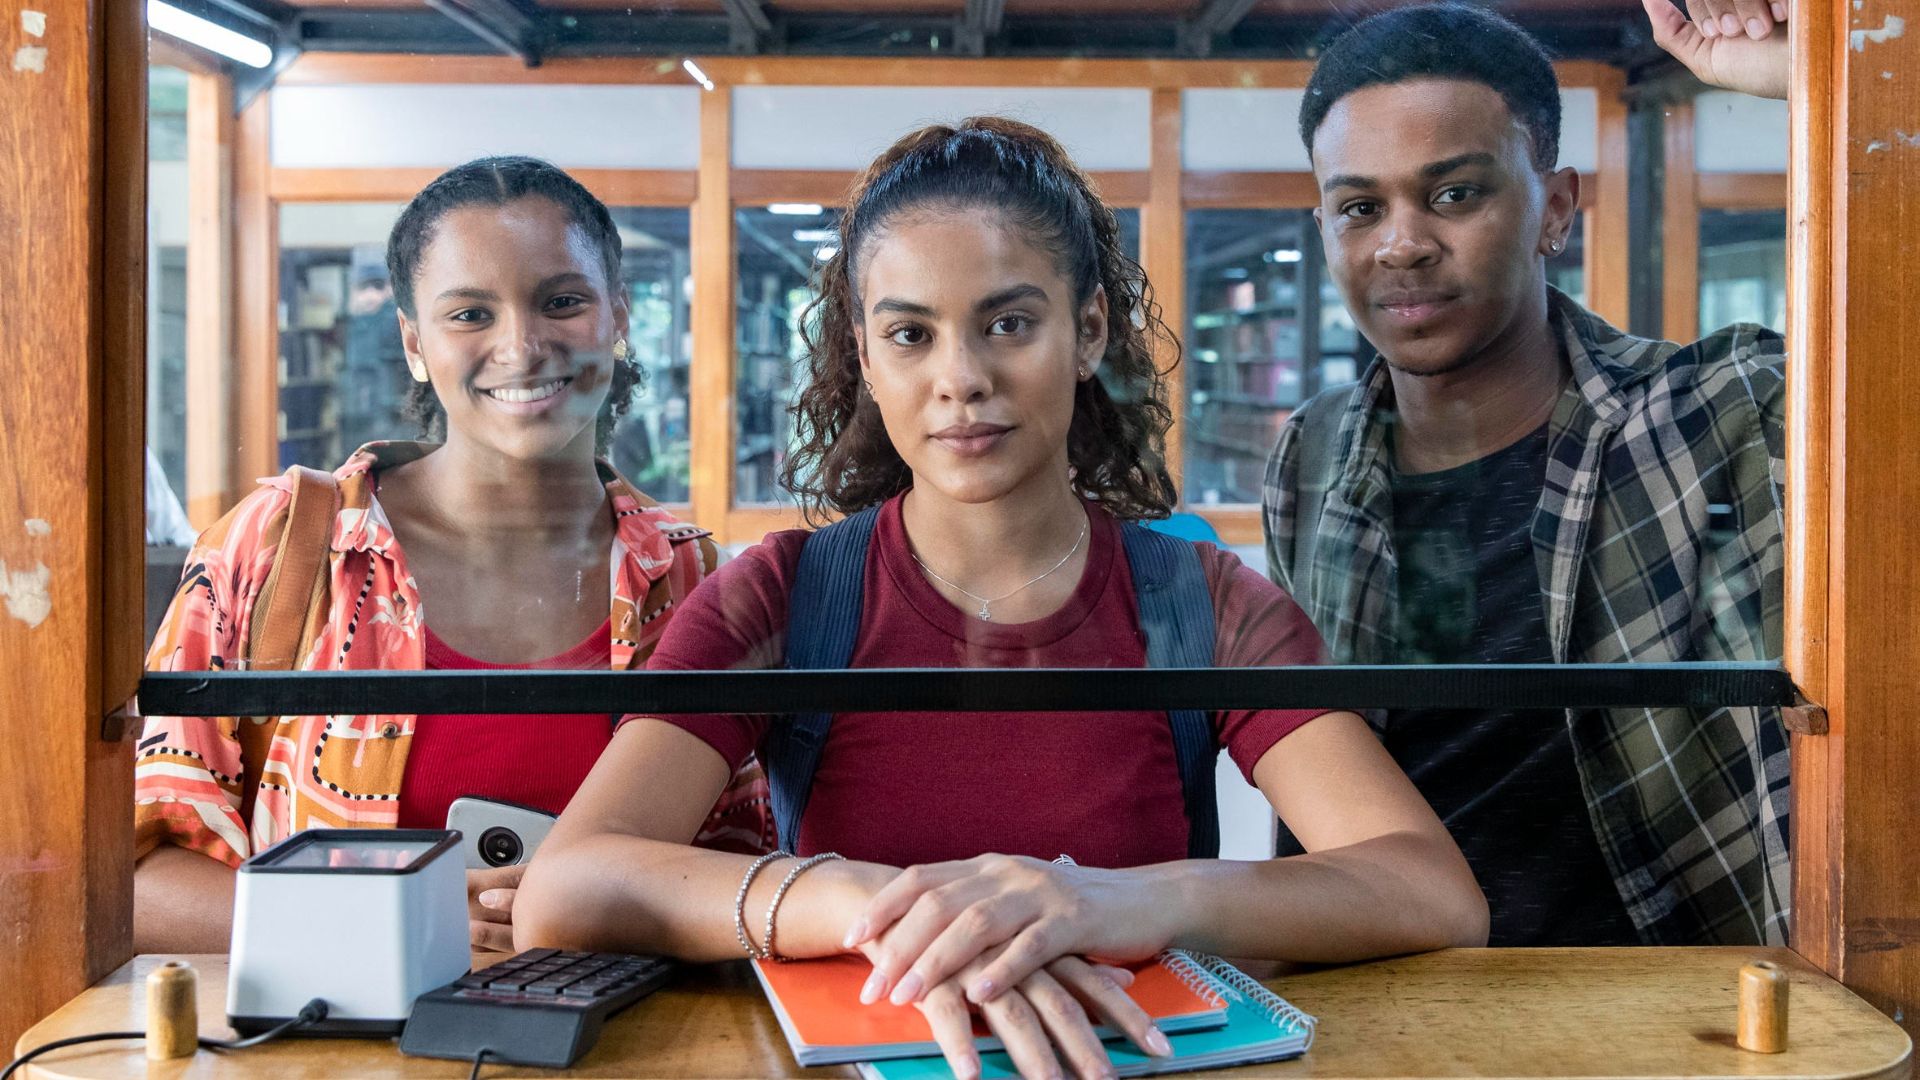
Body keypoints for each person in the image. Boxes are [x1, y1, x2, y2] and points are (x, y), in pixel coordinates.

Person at [516, 118, 1484, 1080]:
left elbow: (1428, 889)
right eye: (911, 334)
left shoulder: (1206, 605)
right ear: (866, 356)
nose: (962, 379)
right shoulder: (782, 595)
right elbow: (568, 884)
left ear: (1090, 330)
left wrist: (1122, 901)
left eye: (1008, 324)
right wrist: (876, 908)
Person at [132, 157, 769, 955]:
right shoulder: (277, 547)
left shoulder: (696, 582)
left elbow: (751, 868)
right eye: (470, 314)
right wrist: (388, 925)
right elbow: (138, 881)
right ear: (413, 343)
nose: (522, 346)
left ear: (619, 317)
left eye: (563, 302)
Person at [1262, 1, 1793, 948]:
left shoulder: (1716, 408)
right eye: (1359, 208)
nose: (1402, 242)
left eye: (1456, 194)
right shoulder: (1312, 453)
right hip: (1394, 991)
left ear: (1555, 208)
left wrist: (1816, 84)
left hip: (1685, 1004)